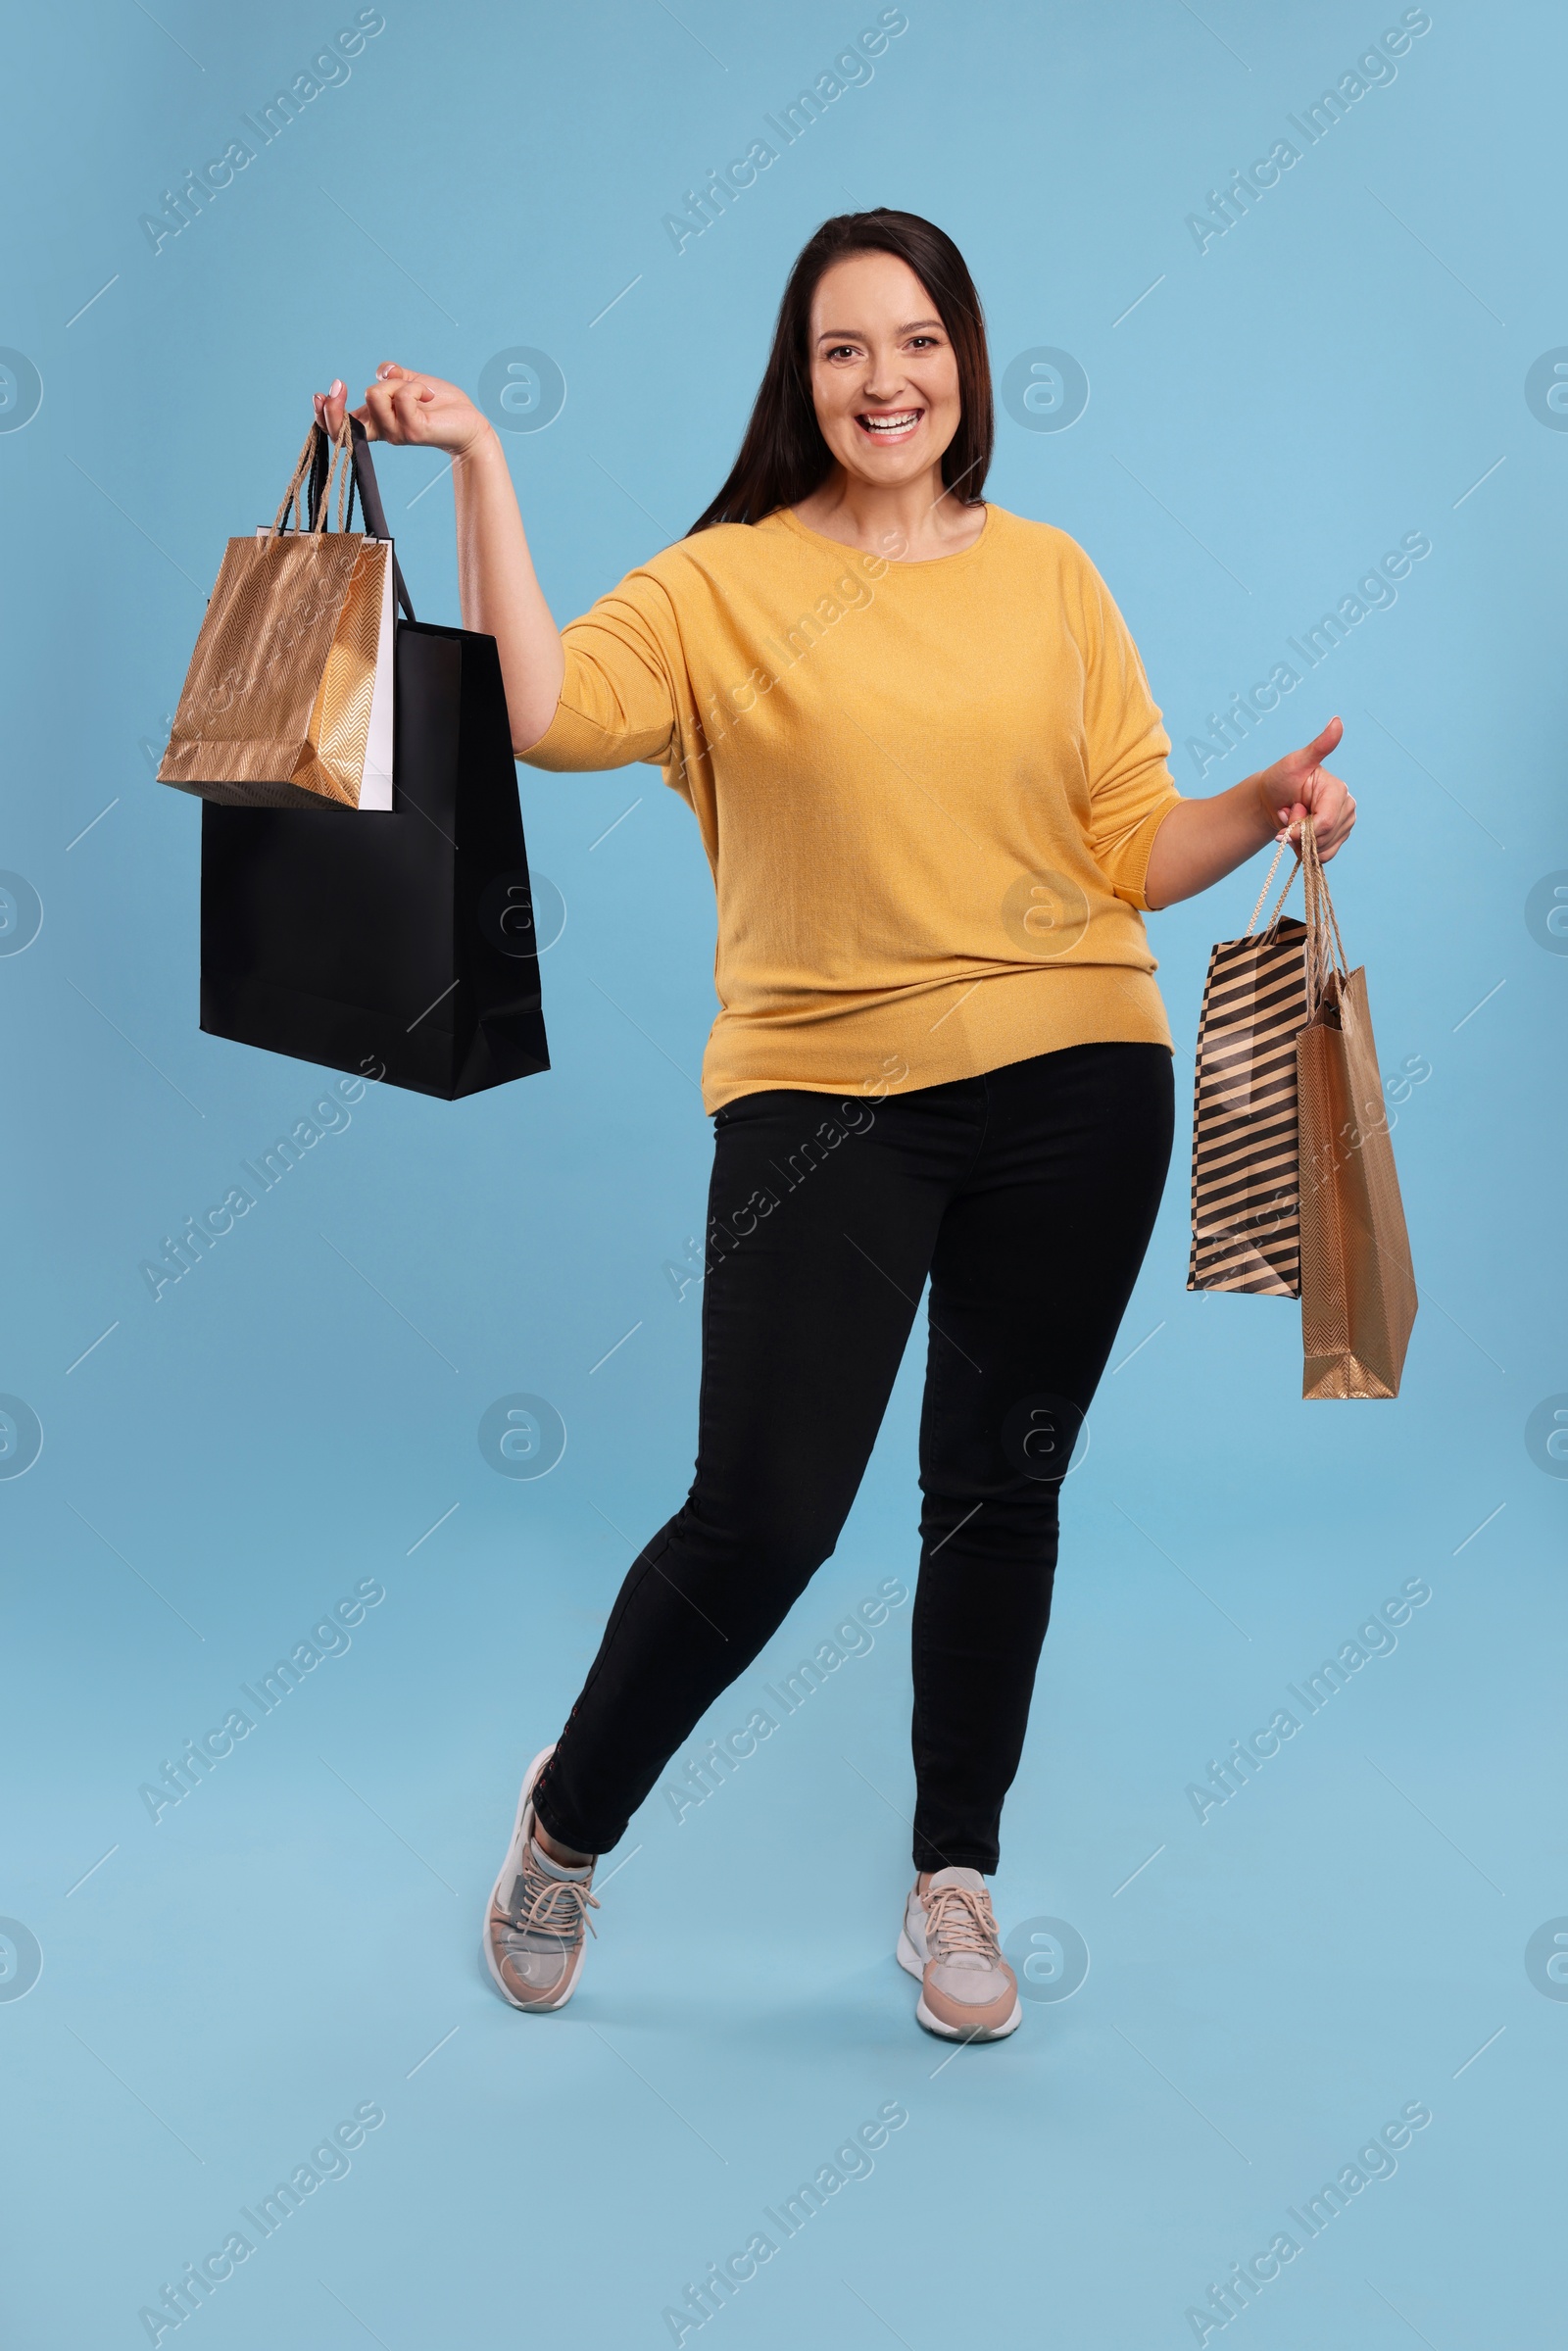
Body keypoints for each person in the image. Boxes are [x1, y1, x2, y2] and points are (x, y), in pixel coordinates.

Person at [314, 208, 1353, 2044]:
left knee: (996, 1488)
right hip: (824, 1105)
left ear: (969, 358)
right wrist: (482, 459)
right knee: (766, 1513)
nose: (889, 380)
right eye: (845, 350)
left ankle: (956, 1880)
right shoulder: (724, 586)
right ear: (802, 383)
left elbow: (1128, 843)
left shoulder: (1052, 578)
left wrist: (1260, 803)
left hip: (1079, 1086)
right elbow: (544, 713)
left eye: (920, 341)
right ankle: (565, 1825)